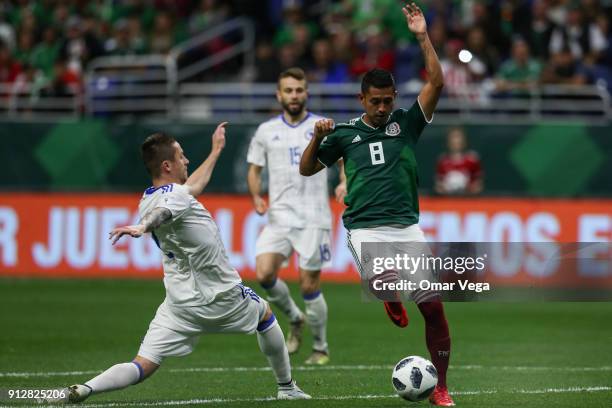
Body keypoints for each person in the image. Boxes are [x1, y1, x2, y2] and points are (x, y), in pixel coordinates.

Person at [45, 123, 310, 403]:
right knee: (265, 315)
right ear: (168, 165)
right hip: (220, 294)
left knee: (142, 365)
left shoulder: (149, 197)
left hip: (179, 303)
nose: (187, 160)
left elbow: (189, 188)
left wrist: (216, 149)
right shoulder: (174, 199)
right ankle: (287, 387)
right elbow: (165, 211)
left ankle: (84, 389)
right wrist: (143, 227)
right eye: (182, 156)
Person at [299, 3, 454, 406]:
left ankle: (440, 387)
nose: (383, 109)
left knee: (434, 309)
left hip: (407, 227)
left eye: (388, 101)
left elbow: (436, 83)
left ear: (394, 97)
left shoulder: (406, 124)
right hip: (365, 227)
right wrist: (317, 137)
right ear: (362, 98)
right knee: (385, 282)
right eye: (376, 102)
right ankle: (388, 294)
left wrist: (422, 36)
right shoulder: (344, 133)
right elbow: (307, 169)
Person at [247, 67, 345, 365]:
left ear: (306, 93)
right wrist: (255, 196)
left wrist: (344, 182)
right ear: (279, 95)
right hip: (279, 217)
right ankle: (294, 317)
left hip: (313, 218)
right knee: (263, 273)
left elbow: (345, 161)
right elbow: (254, 169)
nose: (293, 95)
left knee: (309, 285)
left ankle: (320, 347)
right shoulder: (266, 131)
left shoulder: (321, 126)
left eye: (298, 90)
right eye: (288, 90)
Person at [435, 127, 483, 195]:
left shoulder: (472, 159)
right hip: (447, 201)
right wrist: (446, 189)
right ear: (448, 141)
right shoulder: (443, 161)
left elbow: (479, 185)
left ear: (464, 140)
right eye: (453, 138)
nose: (456, 141)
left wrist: (468, 189)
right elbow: (438, 185)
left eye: (458, 137)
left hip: (467, 201)